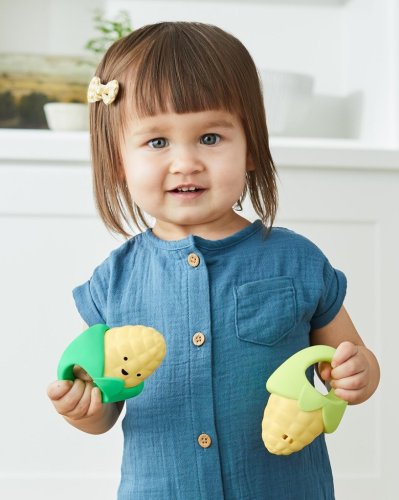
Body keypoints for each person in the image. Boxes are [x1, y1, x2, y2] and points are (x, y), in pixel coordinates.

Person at [47, 21, 380, 499]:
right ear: (118, 160)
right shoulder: (113, 281)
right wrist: (84, 410)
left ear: (251, 147)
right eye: (157, 142)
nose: (186, 162)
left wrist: (356, 372)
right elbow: (105, 408)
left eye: (209, 138)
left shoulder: (296, 260)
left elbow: (354, 359)